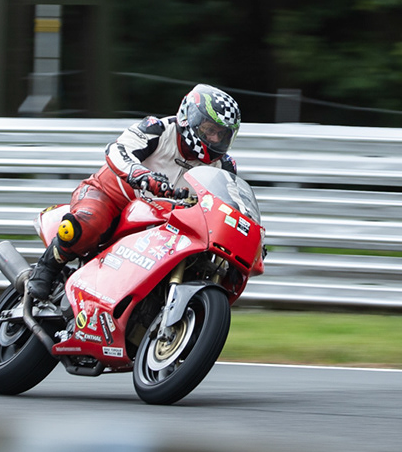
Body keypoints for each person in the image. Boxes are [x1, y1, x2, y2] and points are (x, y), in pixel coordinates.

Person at [26, 84, 242, 298]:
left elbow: (233, 207)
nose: (215, 139)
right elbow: (118, 149)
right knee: (86, 224)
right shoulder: (157, 129)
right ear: (189, 118)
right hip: (113, 197)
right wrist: (140, 174)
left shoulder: (224, 166)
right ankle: (46, 269)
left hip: (164, 220)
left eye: (221, 134)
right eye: (209, 130)